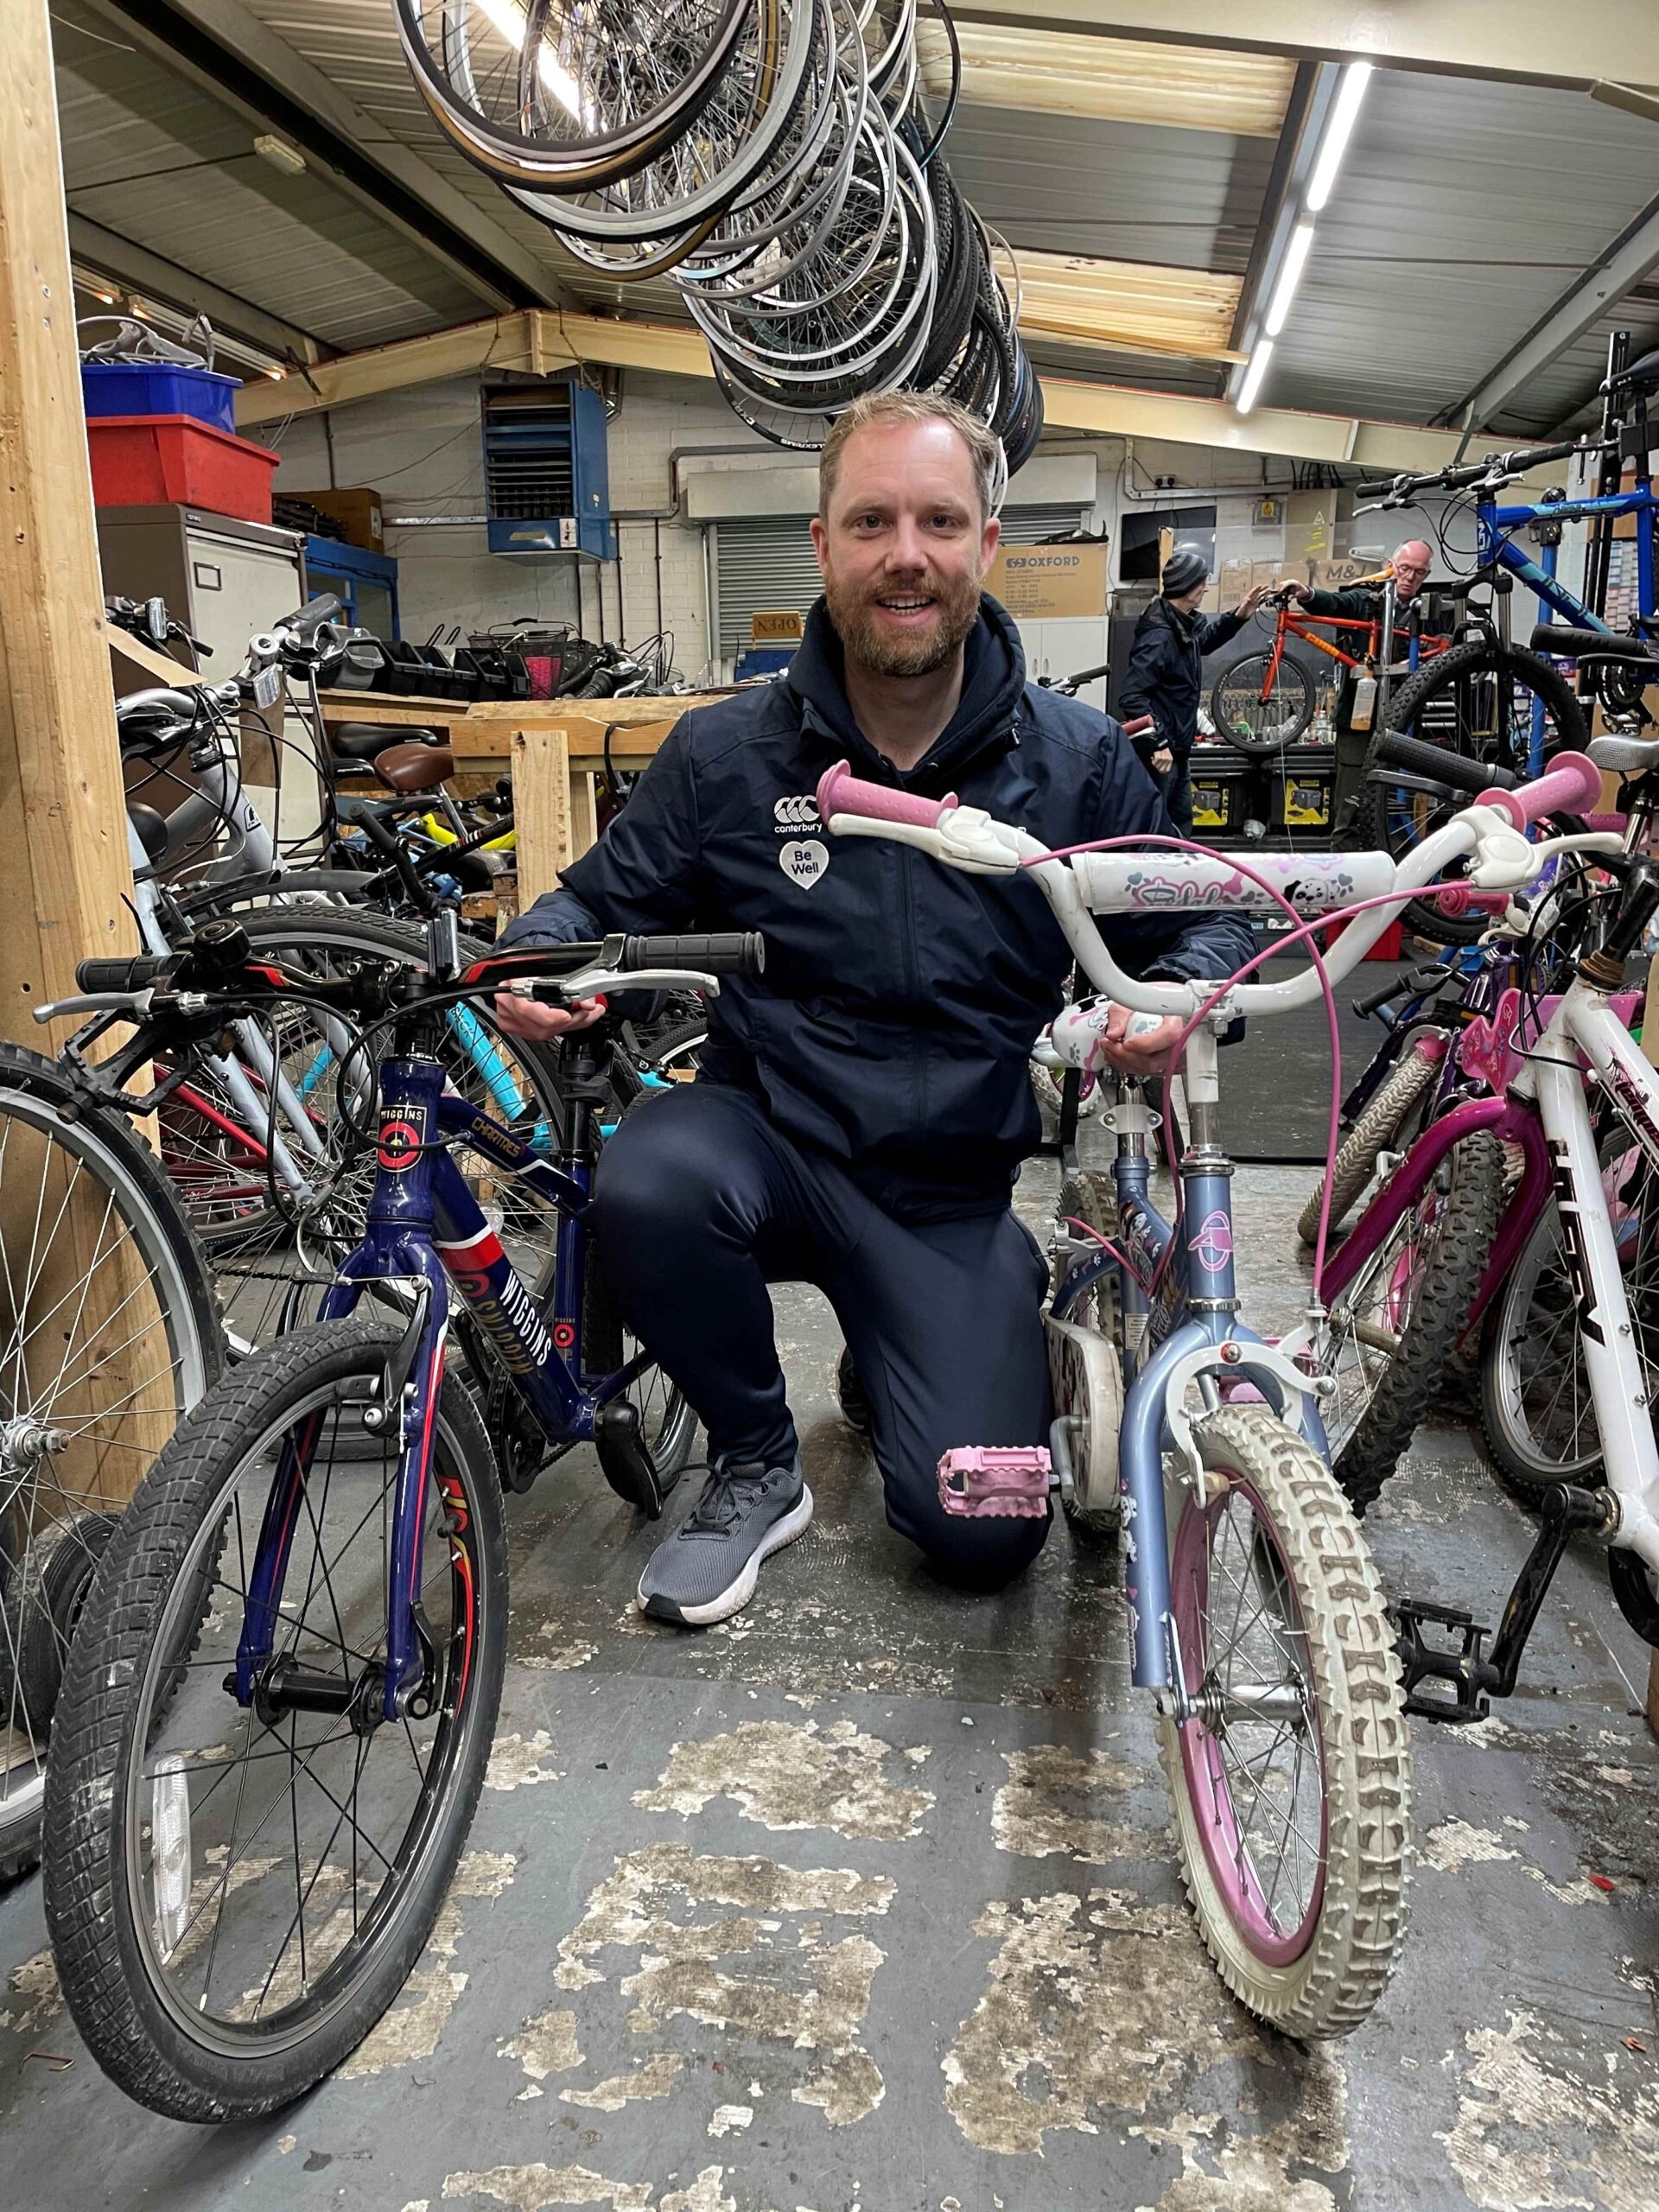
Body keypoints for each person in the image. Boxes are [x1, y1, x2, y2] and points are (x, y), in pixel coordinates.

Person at [492, 391, 1251, 1627]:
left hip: (946, 1190)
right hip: (768, 1140)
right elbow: (593, 903)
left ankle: (951, 1313)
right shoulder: (728, 756)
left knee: (982, 1539)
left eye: (939, 521)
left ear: (986, 546)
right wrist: (535, 962)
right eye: (874, 521)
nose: (908, 554)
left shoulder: (1075, 762)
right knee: (647, 1179)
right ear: (824, 547)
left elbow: (1203, 917)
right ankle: (755, 1461)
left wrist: (1174, 1001)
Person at [1277, 539, 1449, 845]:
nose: (1410, 577)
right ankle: (1345, 874)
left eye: (1419, 572)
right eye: (1405, 569)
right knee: (1350, 806)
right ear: (1391, 567)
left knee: (1397, 805)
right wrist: (1305, 593)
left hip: (1404, 723)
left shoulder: (1431, 614)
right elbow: (1333, 603)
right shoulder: (1367, 600)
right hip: (1358, 721)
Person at [1117, 546, 1270, 836]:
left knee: (1180, 827)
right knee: (1156, 831)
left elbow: (1204, 641)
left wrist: (1240, 615)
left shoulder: (1180, 624)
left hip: (1178, 751)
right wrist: (1158, 742)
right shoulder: (1159, 635)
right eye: (1202, 582)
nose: (1206, 588)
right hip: (1162, 756)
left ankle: (1178, 878)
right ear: (1186, 585)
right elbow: (1132, 696)